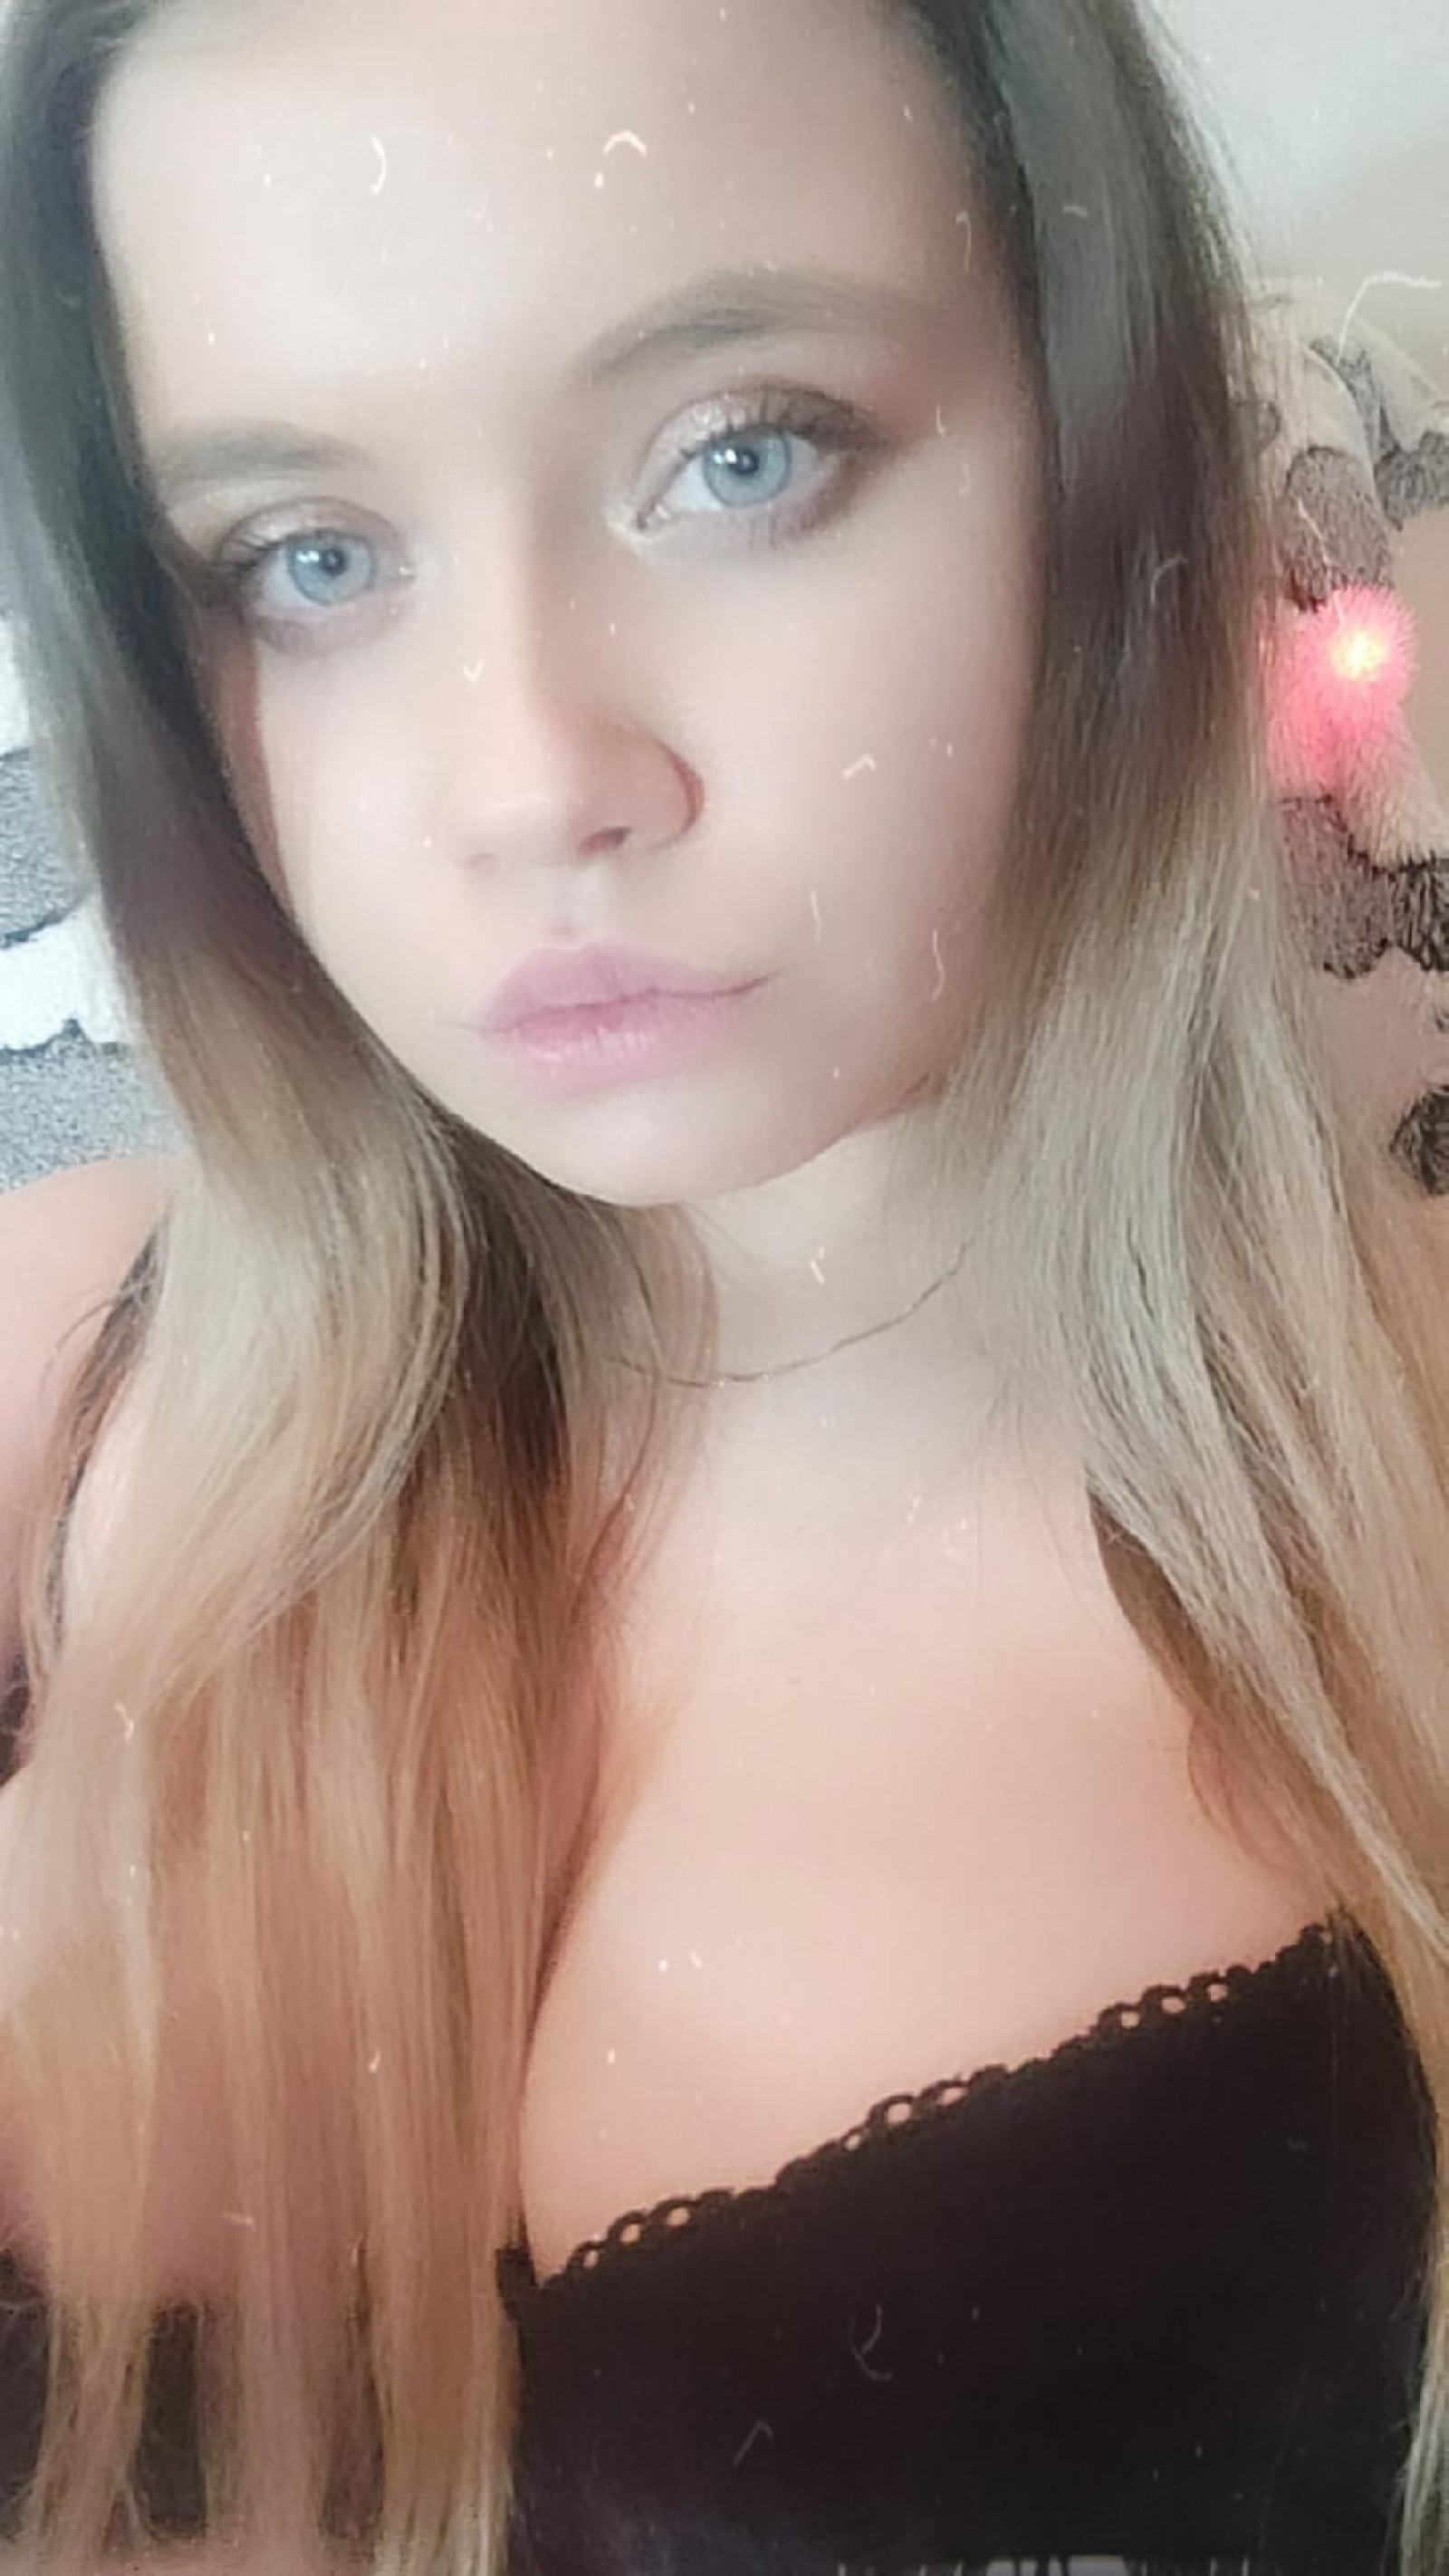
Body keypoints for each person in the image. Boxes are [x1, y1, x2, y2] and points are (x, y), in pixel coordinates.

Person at [0, 0, 1444, 2568]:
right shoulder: (50, 1366)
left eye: (742, 453)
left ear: (1105, 459)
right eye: (308, 558)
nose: (528, 778)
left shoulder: (1402, 1587)